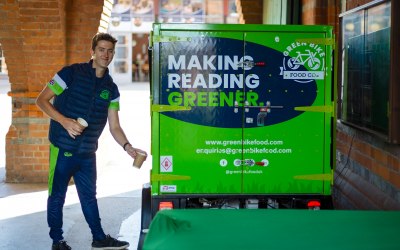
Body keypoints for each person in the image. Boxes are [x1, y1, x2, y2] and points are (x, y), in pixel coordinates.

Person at [36, 33, 147, 250]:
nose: (106, 54)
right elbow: (41, 100)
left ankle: (99, 238)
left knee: (89, 197)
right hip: (63, 148)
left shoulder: (111, 89)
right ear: (93, 52)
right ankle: (57, 241)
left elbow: (115, 126)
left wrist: (128, 147)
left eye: (110, 51)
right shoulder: (70, 74)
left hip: (87, 153)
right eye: (102, 50)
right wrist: (65, 121)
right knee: (57, 195)